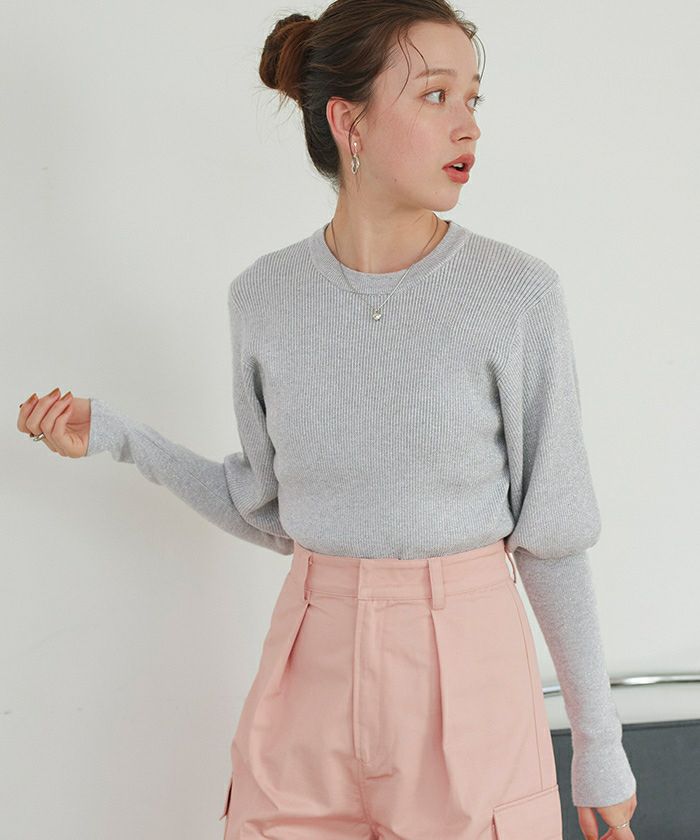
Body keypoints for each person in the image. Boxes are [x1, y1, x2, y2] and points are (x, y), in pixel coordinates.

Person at [17, 1, 638, 838]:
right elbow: (265, 507)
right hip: (306, 677)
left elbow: (551, 537)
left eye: (472, 98)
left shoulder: (515, 295)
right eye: (435, 95)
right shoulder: (265, 298)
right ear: (349, 122)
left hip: (468, 682)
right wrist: (120, 436)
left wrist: (599, 743)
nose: (468, 126)